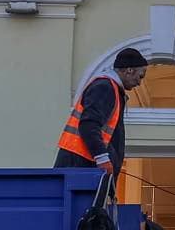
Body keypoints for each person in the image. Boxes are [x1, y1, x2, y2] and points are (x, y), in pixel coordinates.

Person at [53, 47, 147, 176]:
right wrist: (102, 158)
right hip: (81, 168)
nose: (139, 83)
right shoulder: (105, 87)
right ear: (129, 71)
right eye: (140, 76)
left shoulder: (110, 89)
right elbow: (89, 124)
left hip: (81, 166)